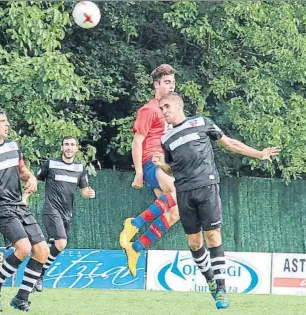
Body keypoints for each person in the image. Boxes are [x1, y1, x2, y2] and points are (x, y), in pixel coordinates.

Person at [152, 92, 280, 309]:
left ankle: (221, 288)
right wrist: (162, 165)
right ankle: (211, 279)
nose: (163, 112)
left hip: (207, 186)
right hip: (184, 191)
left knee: (212, 235)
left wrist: (258, 154)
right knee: (194, 243)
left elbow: (229, 143)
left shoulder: (201, 122)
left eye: (166, 107)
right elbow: (173, 170)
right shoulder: (166, 139)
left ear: (177, 106)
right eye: (161, 108)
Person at [0, 105, 50, 312]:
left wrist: (31, 177)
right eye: (3, 122)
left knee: (42, 251)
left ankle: (21, 298)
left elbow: (22, 170)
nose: (7, 125)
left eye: (7, 121)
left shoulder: (13, 146)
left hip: (19, 206)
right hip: (0, 207)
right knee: (24, 249)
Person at [119, 64, 180, 276]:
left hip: (166, 164)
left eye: (172, 82)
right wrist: (139, 172)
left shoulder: (171, 111)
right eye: (166, 82)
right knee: (178, 192)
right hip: (152, 162)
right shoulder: (149, 109)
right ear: (156, 85)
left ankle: (136, 249)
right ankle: (133, 225)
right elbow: (137, 142)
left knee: (174, 212)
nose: (171, 85)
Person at [27, 136, 96, 292]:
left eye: (72, 145)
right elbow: (34, 179)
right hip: (51, 210)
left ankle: (35, 272)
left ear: (77, 148)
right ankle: (39, 274)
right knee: (61, 242)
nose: (69, 147)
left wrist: (89, 193)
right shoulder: (51, 164)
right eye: (66, 144)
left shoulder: (80, 168)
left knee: (52, 246)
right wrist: (25, 195)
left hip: (67, 214)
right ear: (61, 147)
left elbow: (84, 191)